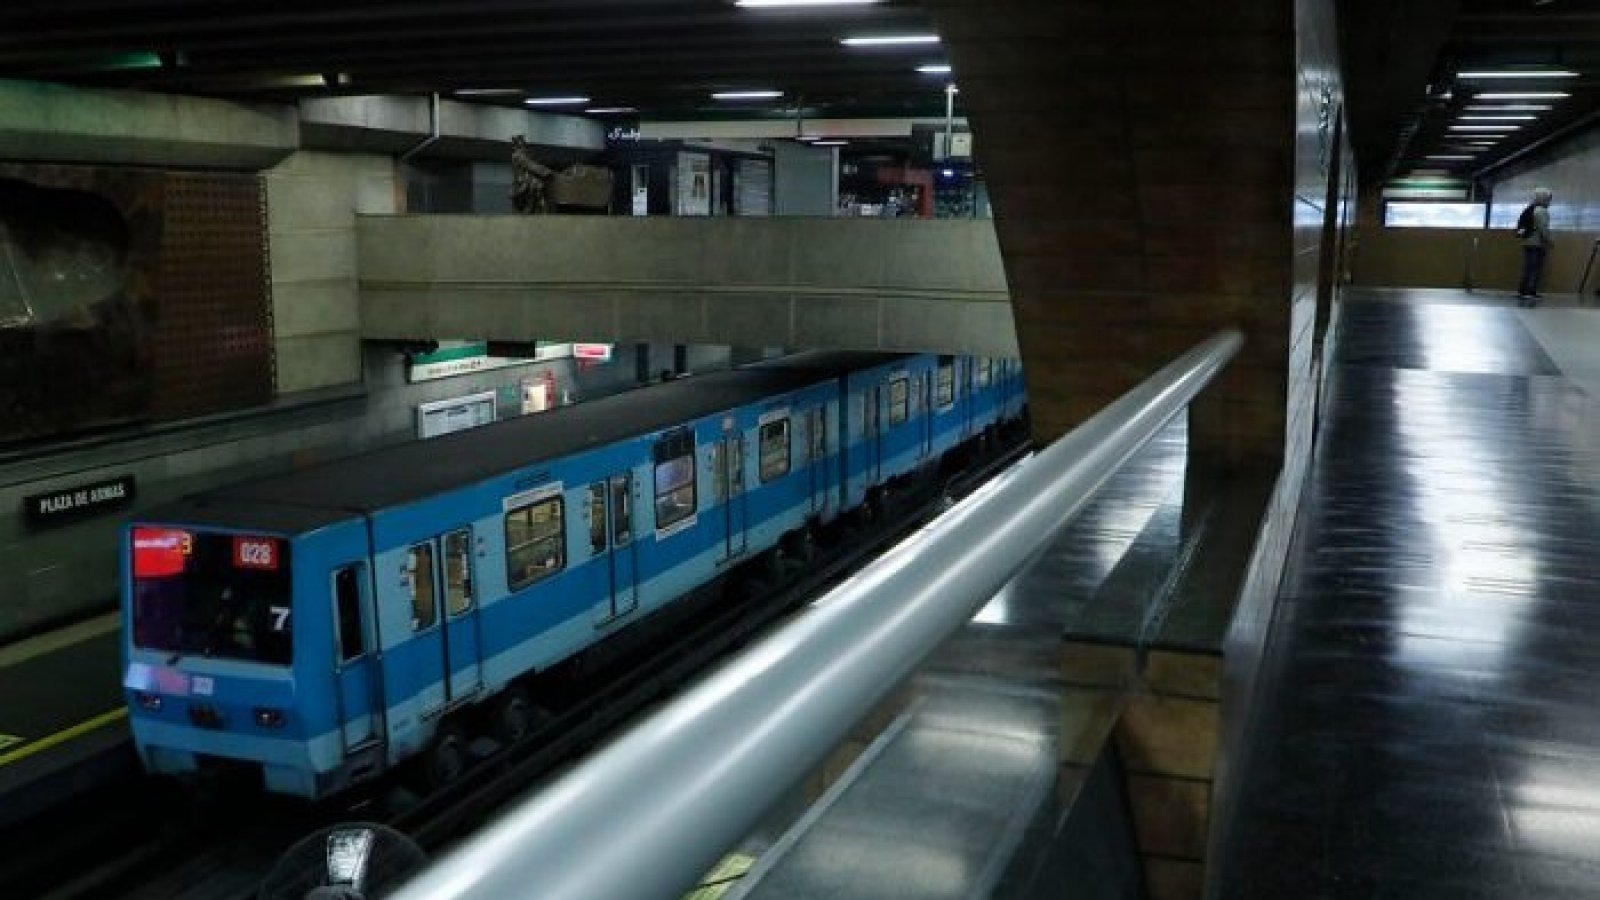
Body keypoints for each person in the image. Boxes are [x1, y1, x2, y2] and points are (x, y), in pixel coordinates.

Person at [1516, 187, 1554, 306]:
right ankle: (1530, 291)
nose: (1549, 201)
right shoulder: (1541, 211)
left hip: (1528, 242)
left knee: (1528, 267)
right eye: (1548, 198)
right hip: (1537, 243)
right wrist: (1549, 241)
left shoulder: (1531, 209)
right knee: (1535, 268)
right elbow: (1544, 229)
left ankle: (1523, 290)